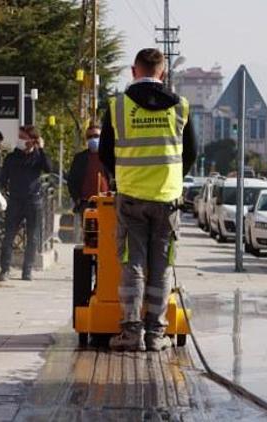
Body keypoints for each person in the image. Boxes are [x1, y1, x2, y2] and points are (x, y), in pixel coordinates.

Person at [99, 48, 197, 352]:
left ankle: (131, 332)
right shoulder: (180, 107)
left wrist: (118, 179)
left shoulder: (117, 107)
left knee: (133, 264)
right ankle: (156, 334)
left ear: (134, 71)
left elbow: (104, 153)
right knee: (162, 266)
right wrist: (173, 181)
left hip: (130, 198)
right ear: (163, 73)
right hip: (167, 199)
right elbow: (191, 152)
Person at [0, 126, 52, 281]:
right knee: (8, 236)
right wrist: (4, 193)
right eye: (19, 137)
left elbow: (48, 168)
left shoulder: (37, 157)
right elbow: (3, 179)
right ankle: (5, 270)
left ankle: (27, 270)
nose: (20, 140)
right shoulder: (11, 157)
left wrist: (41, 149)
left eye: (23, 137)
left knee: (32, 237)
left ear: (32, 140)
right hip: (15, 200)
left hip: (33, 201)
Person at [66, 124, 109, 241]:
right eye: (90, 136)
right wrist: (77, 199)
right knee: (90, 238)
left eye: (96, 135)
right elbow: (71, 181)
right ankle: (91, 258)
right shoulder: (80, 158)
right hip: (86, 203)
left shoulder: (109, 156)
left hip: (106, 203)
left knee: (106, 236)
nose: (93, 139)